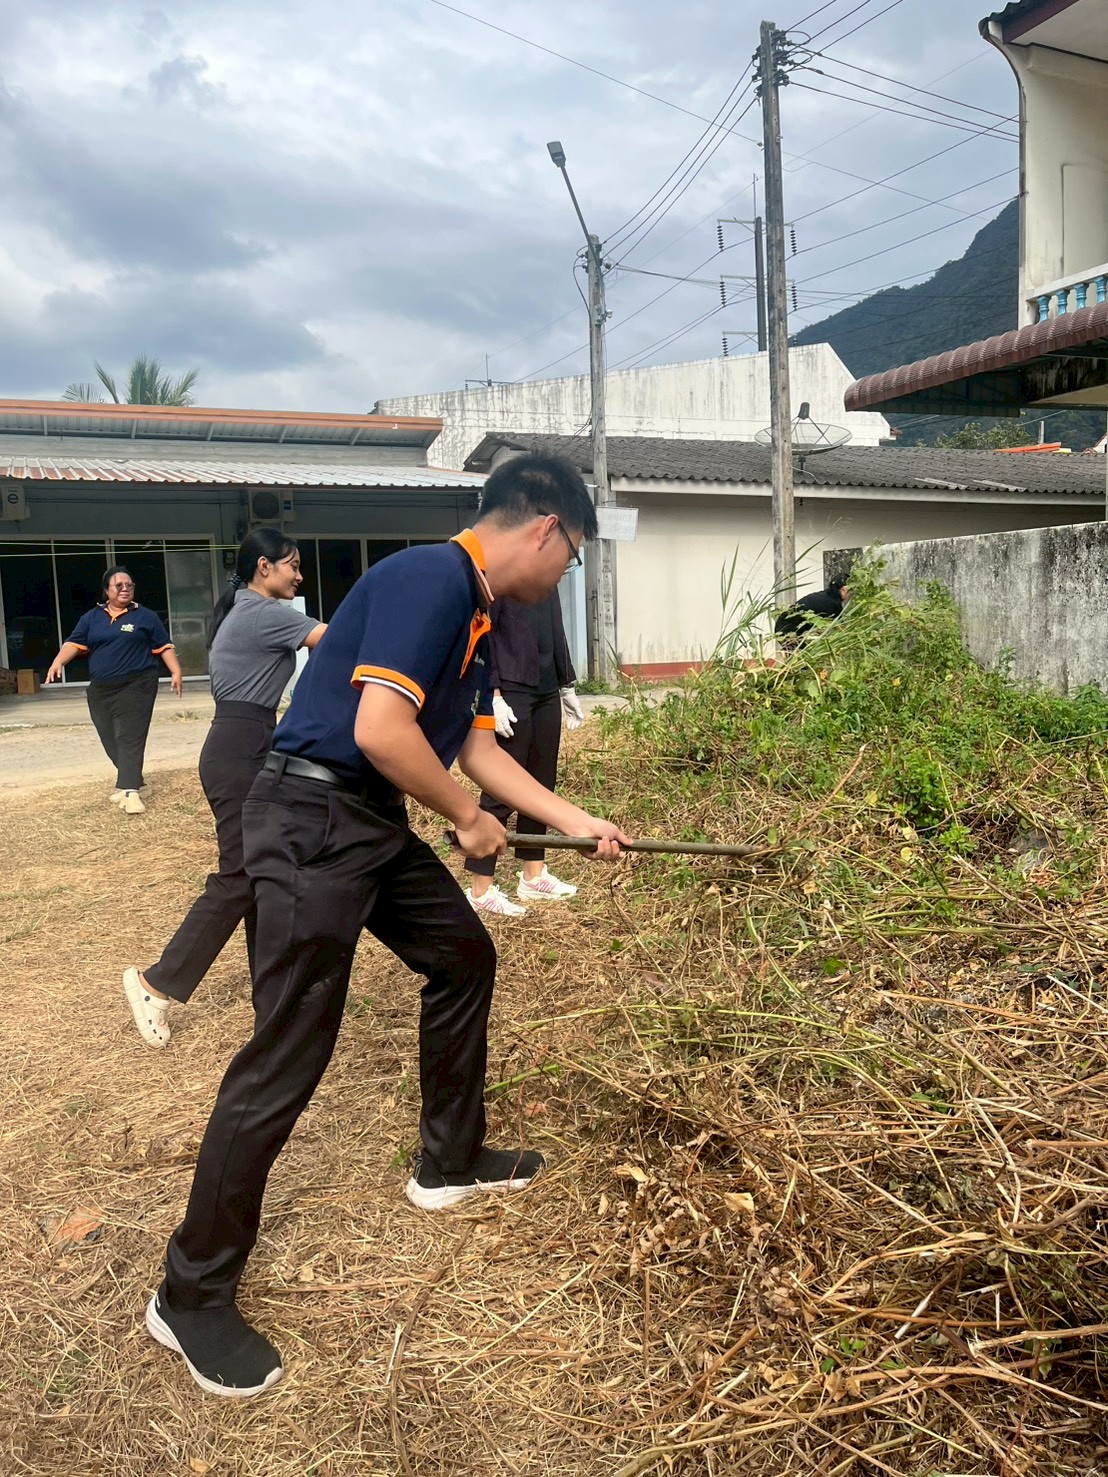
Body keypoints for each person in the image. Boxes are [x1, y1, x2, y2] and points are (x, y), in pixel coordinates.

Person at [144, 453, 630, 1398]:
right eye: (571, 556)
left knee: (462, 953)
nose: (565, 573)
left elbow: (477, 746)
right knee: (288, 1049)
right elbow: (379, 731)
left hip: (365, 821)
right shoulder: (427, 577)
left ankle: (447, 1160)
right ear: (545, 528)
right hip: (310, 817)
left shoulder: (479, 616)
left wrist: (576, 821)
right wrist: (461, 812)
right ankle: (188, 1292)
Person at [122, 531, 327, 1049]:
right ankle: (156, 983)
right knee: (240, 873)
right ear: (264, 566)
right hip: (241, 747)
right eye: (293, 565)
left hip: (245, 743)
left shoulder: (245, 610)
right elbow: (338, 639)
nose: (298, 576)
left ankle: (271, 996)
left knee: (264, 872)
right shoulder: (262, 613)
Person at [464, 589, 584, 917]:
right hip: (512, 687)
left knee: (541, 783)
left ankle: (533, 875)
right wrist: (494, 693)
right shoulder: (506, 580)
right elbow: (484, 636)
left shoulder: (548, 579)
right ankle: (480, 888)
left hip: (546, 688)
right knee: (501, 787)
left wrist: (566, 682)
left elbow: (556, 629)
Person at [45, 565, 183, 813]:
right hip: (101, 689)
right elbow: (74, 643)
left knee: (128, 735)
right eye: (118, 585)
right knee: (109, 737)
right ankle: (136, 782)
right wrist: (58, 662)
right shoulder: (91, 618)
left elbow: (164, 646)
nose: (124, 589)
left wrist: (176, 671)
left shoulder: (145, 617)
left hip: (137, 684)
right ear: (106, 591)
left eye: (129, 585)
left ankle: (130, 793)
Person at [774, 577, 849, 651]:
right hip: (788, 632)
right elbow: (842, 628)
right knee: (805, 656)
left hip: (783, 628)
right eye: (849, 591)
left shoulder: (826, 596)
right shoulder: (833, 604)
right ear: (843, 590)